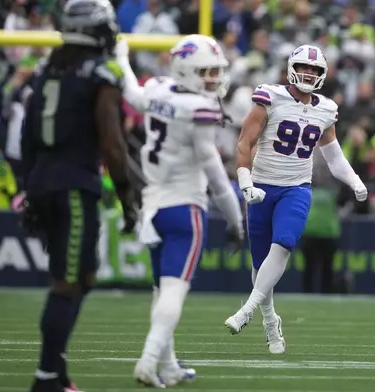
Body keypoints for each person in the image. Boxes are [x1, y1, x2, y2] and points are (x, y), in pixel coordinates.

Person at [19, 1, 136, 391]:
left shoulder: (46, 69)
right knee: (67, 283)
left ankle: (57, 373)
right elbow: (112, 143)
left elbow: (27, 135)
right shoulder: (100, 73)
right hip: (73, 186)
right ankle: (46, 379)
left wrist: (29, 188)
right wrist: (126, 194)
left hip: (45, 180)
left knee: (82, 275)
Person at [116, 35, 245, 387]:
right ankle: (147, 360)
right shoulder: (198, 109)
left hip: (153, 208)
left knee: (162, 291)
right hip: (185, 209)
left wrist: (122, 57)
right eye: (206, 72)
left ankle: (169, 366)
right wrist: (236, 220)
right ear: (186, 70)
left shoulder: (157, 89)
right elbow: (217, 177)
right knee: (173, 292)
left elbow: (131, 93)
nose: (214, 79)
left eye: (216, 72)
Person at [223, 44, 368, 354]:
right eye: (304, 67)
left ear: (323, 75)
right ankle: (270, 319)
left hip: (296, 187)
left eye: (315, 70)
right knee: (260, 262)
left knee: (285, 242)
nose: (308, 73)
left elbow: (334, 156)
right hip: (262, 186)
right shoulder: (270, 97)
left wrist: (354, 180)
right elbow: (245, 141)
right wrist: (245, 180)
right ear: (290, 67)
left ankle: (247, 309)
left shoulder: (326, 109)